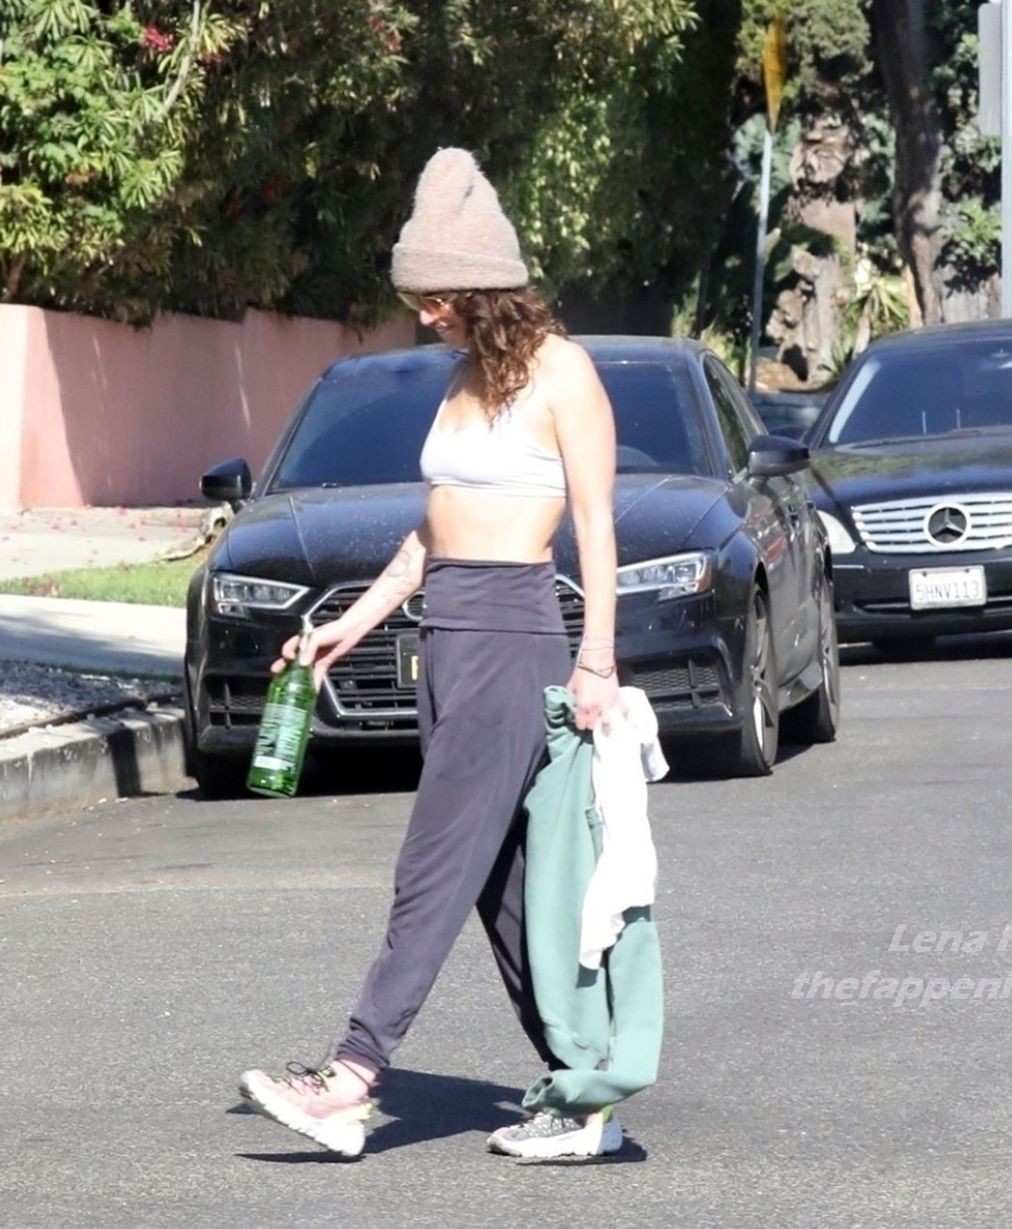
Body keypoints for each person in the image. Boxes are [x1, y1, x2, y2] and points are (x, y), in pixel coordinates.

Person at [238, 148, 625, 1159]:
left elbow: (596, 524)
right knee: (499, 887)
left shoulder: (564, 374)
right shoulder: (461, 380)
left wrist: (597, 661)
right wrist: (349, 624)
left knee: (435, 861)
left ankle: (350, 1077)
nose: (423, 313)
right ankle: (585, 1089)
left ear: (482, 287)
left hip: (512, 635)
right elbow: (430, 532)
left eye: (437, 295)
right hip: (445, 634)